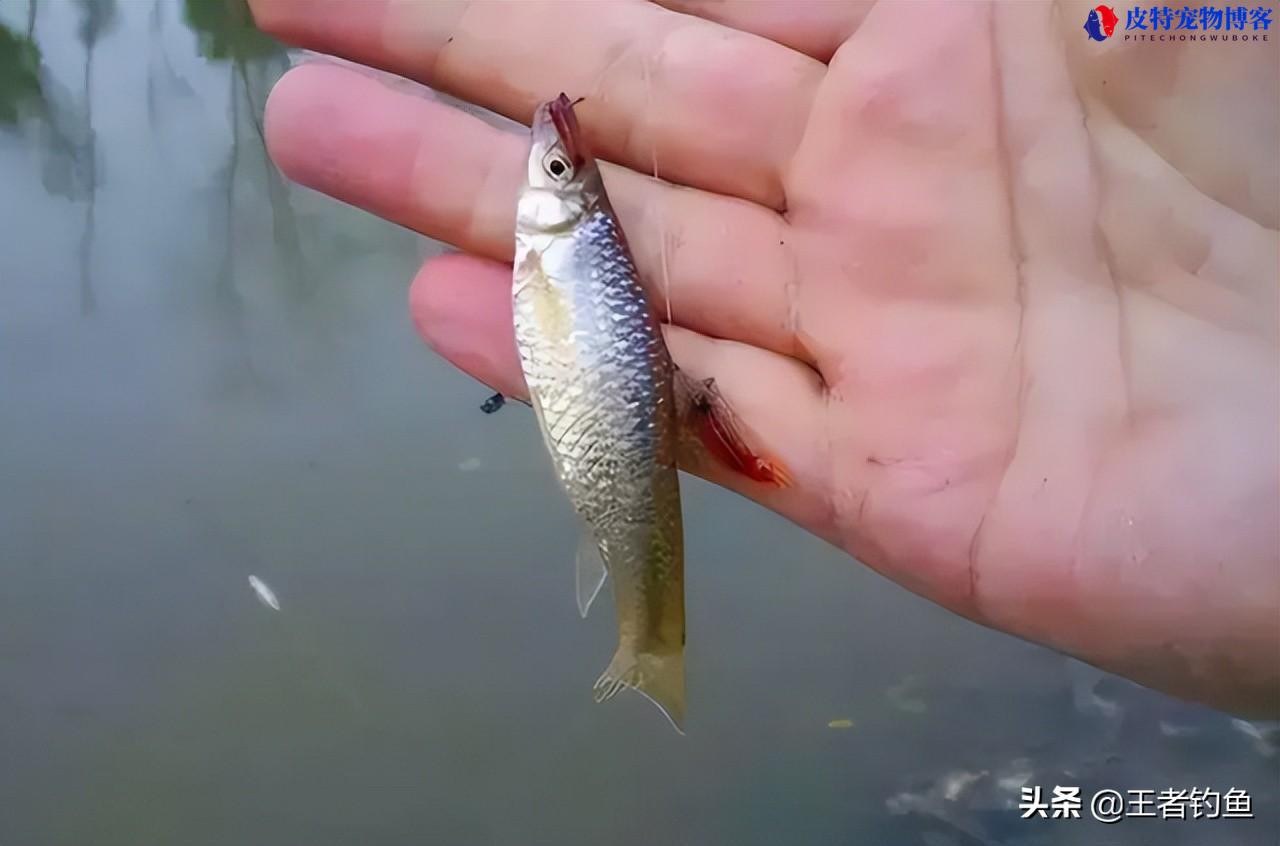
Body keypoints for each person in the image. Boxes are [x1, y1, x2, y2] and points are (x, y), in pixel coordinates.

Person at [247, 0, 1278, 718]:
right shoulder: (568, 242)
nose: (545, 164)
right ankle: (650, 639)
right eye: (558, 167)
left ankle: (651, 644)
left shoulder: (565, 236)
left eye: (553, 169)